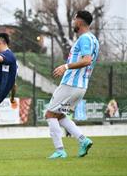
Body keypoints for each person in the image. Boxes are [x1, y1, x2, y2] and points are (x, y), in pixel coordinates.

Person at [45, 10, 99, 159]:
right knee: (60, 115)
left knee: (49, 114)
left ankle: (60, 150)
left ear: (80, 22)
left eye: (75, 20)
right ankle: (83, 140)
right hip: (81, 86)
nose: (73, 23)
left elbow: (87, 60)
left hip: (71, 84)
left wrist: (66, 67)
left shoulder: (84, 39)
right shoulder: (94, 39)